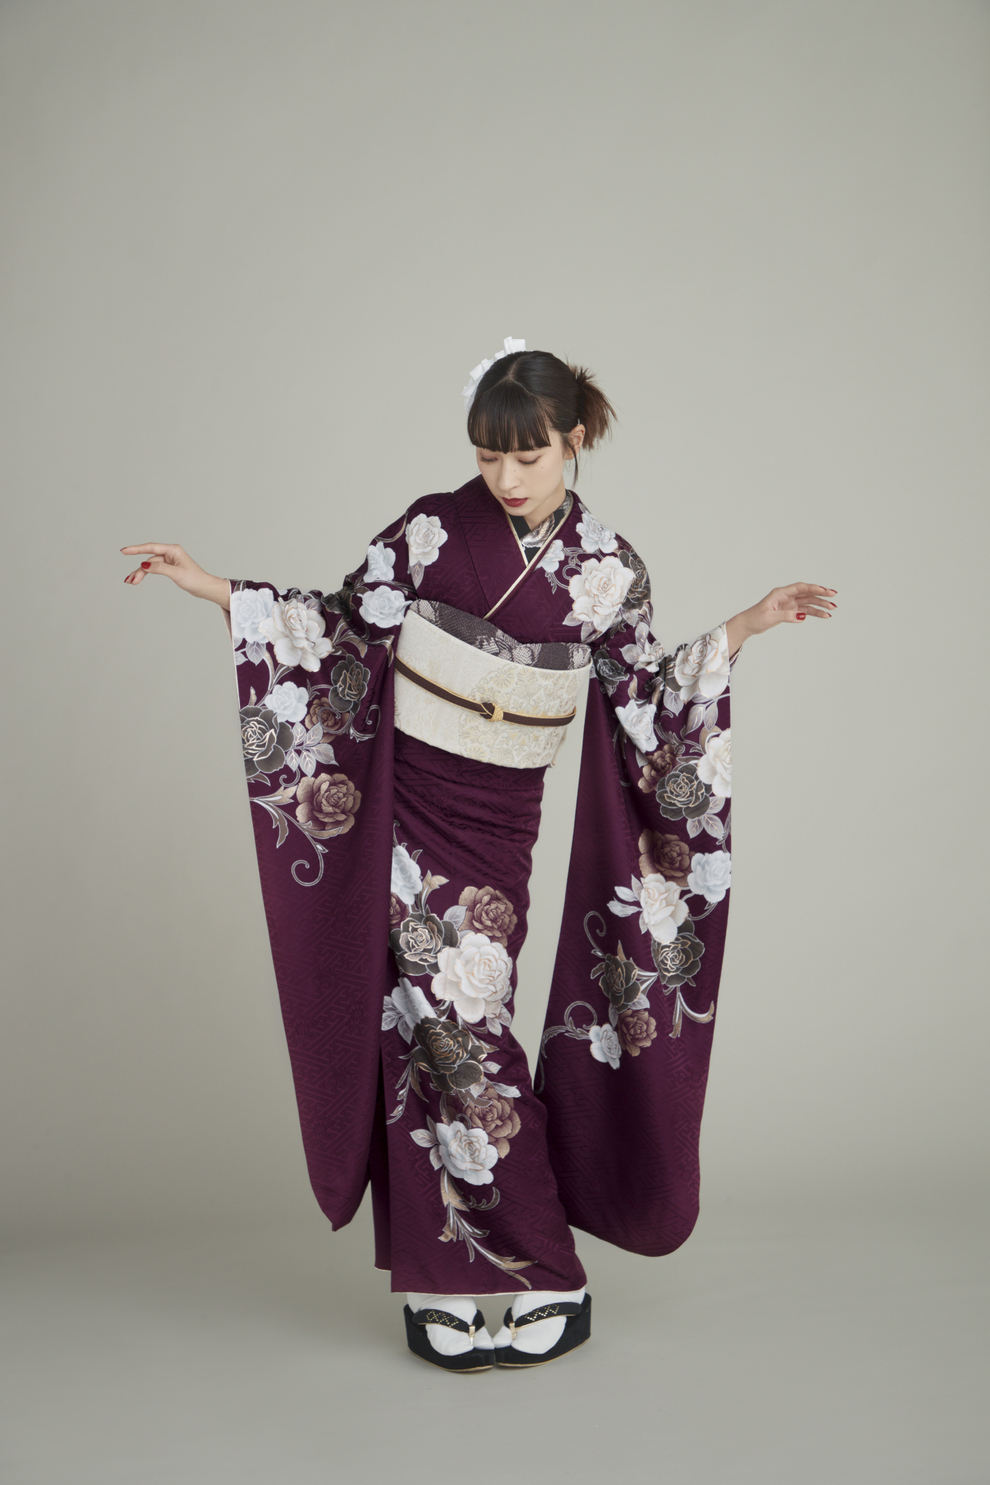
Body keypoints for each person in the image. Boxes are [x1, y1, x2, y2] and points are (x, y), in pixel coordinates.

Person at [121, 341, 836, 1372]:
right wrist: (218, 591)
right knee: (421, 1024)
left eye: (528, 456)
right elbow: (339, 628)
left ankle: (541, 1271)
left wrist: (742, 629)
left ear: (574, 440)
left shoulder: (608, 569)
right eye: (489, 456)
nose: (506, 477)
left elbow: (643, 698)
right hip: (404, 803)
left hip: (500, 816)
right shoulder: (430, 530)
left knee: (465, 1017)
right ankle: (452, 1278)